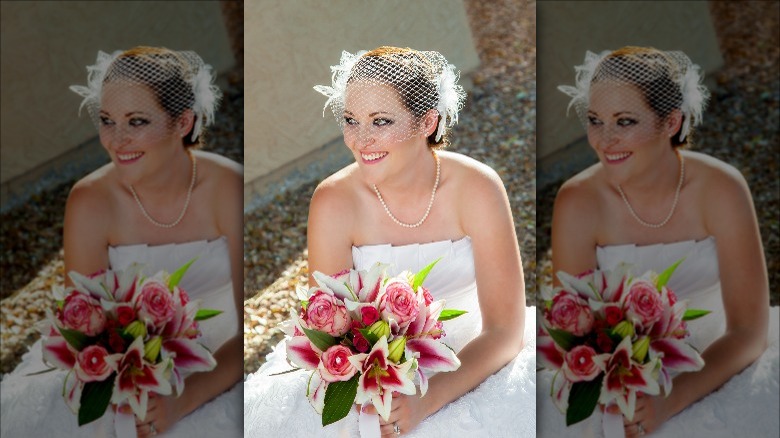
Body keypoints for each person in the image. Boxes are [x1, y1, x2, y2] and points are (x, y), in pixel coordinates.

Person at [244, 47, 536, 437]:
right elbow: (328, 328)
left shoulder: (477, 188)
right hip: (369, 375)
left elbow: (504, 330)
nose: (360, 140)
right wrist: (373, 392)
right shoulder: (333, 201)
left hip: (473, 360)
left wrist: (426, 399)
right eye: (351, 120)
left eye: (380, 121)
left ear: (427, 122)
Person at [0, 47, 243, 437]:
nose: (117, 140)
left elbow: (245, 332)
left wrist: (182, 400)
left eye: (137, 121)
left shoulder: (227, 188)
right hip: (117, 366)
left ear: (183, 122)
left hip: (218, 358)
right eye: (107, 121)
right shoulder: (89, 201)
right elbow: (83, 325)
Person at [538, 46, 779, 437]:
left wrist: (670, 399)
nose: (604, 140)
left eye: (625, 121)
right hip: (620, 377)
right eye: (596, 120)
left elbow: (749, 331)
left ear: (671, 122)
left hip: (722, 361)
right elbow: (574, 328)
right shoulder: (577, 201)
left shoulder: (721, 189)